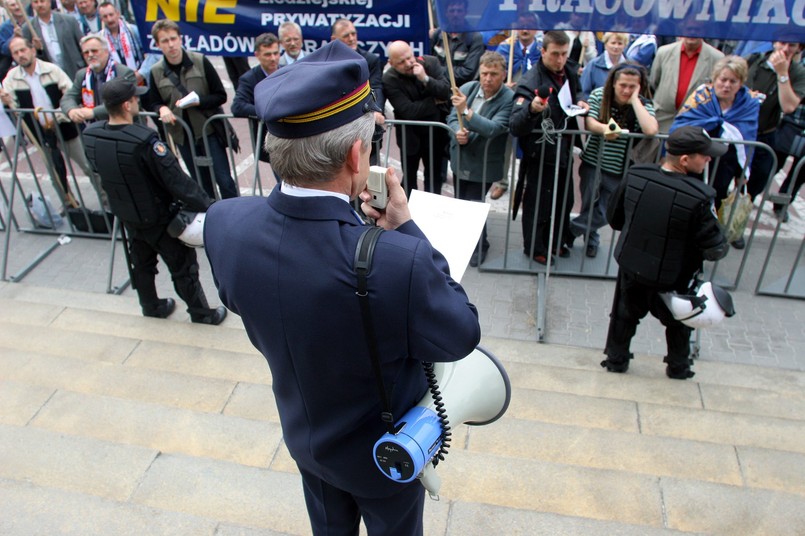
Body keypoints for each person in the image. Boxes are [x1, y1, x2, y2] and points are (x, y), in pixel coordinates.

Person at [203, 40, 481, 536]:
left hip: (307, 439)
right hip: (384, 456)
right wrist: (406, 231)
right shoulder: (400, 260)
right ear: (357, 154)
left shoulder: (224, 224)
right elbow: (462, 333)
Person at [82, 78, 227, 325]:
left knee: (141, 263)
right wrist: (212, 207)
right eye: (135, 98)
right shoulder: (144, 140)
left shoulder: (91, 135)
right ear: (127, 105)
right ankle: (201, 313)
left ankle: (150, 306)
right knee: (183, 268)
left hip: (127, 215)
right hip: (159, 218)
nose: (138, 100)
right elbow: (178, 182)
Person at [603, 126, 729, 379]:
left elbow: (614, 219)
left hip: (632, 267)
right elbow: (714, 248)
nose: (708, 159)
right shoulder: (701, 196)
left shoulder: (636, 175)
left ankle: (616, 360)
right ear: (685, 160)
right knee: (680, 324)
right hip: (675, 277)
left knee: (623, 317)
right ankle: (678, 367)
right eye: (703, 155)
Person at [510, 30, 589, 265]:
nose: (560, 59)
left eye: (564, 54)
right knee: (539, 203)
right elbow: (515, 124)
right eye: (555, 54)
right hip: (540, 154)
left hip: (563, 149)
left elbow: (577, 91)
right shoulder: (530, 81)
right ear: (543, 52)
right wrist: (532, 110)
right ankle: (535, 248)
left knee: (564, 200)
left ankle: (556, 241)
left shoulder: (569, 71)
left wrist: (581, 101)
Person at [570, 62, 658, 259]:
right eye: (623, 85)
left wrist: (635, 100)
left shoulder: (643, 103)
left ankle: (569, 231)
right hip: (594, 161)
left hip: (621, 168)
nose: (626, 90)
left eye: (632, 86)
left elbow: (651, 130)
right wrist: (604, 130)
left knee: (605, 212)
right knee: (588, 205)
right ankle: (591, 241)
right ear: (614, 83)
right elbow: (590, 122)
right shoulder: (600, 95)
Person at [1, 36, 99, 207]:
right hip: (39, 133)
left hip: (64, 127)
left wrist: (58, 117)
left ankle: (106, 203)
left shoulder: (52, 70)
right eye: (15, 53)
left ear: (32, 50)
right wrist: (6, 100)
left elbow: (70, 95)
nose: (20, 55)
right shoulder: (11, 78)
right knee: (55, 173)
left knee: (88, 167)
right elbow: (13, 106)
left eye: (23, 50)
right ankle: (69, 205)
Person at [146, 19, 238, 199]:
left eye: (173, 38)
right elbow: (153, 102)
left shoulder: (200, 61)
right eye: (165, 41)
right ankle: (211, 217)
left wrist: (199, 102)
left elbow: (220, 95)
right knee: (201, 184)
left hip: (208, 132)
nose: (171, 45)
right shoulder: (156, 71)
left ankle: (233, 217)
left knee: (224, 180)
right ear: (158, 45)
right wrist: (161, 108)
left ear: (180, 39)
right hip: (183, 136)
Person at [671, 56, 762, 215]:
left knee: (717, 196)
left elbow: (748, 138)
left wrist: (742, 173)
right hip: (694, 160)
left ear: (741, 83)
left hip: (725, 163)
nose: (726, 85)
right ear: (715, 79)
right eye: (723, 79)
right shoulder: (701, 96)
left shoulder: (748, 103)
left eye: (733, 81)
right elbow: (682, 125)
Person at [447, 51, 513, 267]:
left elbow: (493, 127)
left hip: (483, 164)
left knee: (474, 205)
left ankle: (480, 246)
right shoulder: (467, 89)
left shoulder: (508, 98)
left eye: (493, 74)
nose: (487, 78)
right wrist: (456, 131)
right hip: (461, 159)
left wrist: (465, 111)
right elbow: (450, 117)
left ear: (503, 74)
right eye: (484, 73)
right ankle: (467, 241)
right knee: (462, 202)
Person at [383, 40, 451, 196]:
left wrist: (425, 79)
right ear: (391, 63)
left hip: (435, 136)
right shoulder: (389, 79)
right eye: (401, 62)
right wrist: (434, 102)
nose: (408, 63)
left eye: (409, 58)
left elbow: (446, 92)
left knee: (434, 178)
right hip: (410, 137)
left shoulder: (431, 63)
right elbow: (408, 111)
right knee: (409, 180)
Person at [745, 41, 805, 207]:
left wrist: (782, 74)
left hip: (766, 136)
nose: (785, 49)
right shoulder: (754, 60)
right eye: (782, 43)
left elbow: (788, 106)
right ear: (774, 43)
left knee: (757, 182)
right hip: (740, 132)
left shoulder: (798, 73)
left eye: (792, 45)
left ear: (799, 48)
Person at [331, 18, 386, 165]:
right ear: (334, 39)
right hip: (339, 133)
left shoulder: (371, 60)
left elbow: (376, 87)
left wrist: (376, 110)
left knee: (372, 178)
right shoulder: (327, 63)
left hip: (367, 134)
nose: (351, 38)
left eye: (353, 34)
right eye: (346, 35)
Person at [650, 37, 724, 133]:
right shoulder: (663, 52)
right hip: (661, 120)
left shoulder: (717, 57)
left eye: (697, 30)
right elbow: (654, 82)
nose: (692, 34)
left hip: (694, 124)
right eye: (689, 29)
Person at [61, 33, 136, 124]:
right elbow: (68, 97)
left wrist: (93, 112)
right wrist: (71, 110)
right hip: (97, 127)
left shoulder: (123, 72)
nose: (90, 55)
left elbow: (123, 103)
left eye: (94, 51)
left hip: (124, 126)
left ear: (106, 51)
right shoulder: (82, 74)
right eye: (86, 52)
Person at [230, 32, 279, 167]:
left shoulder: (286, 71)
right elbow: (237, 107)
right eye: (268, 55)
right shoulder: (249, 78)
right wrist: (266, 112)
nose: (273, 58)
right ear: (257, 55)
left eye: (276, 53)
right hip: (270, 142)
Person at [98, 1, 157, 87]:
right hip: (117, 85)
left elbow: (150, 53)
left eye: (111, 15)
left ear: (117, 14)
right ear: (101, 19)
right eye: (105, 16)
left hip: (141, 81)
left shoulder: (134, 30)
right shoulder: (100, 39)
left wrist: (141, 73)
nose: (109, 19)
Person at [429, 0, 485, 87]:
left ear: (465, 12)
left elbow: (468, 72)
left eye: (459, 11)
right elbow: (428, 63)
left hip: (461, 91)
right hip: (437, 88)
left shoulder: (475, 38)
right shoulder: (438, 34)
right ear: (446, 13)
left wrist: (437, 70)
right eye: (452, 11)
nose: (455, 14)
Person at [23, 0, 86, 76]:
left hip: (75, 69)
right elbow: (30, 56)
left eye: (42, 1)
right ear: (32, 5)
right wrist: (37, 50)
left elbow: (83, 45)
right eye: (36, 2)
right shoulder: (29, 28)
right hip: (51, 74)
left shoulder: (69, 20)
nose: (39, 5)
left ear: (49, 2)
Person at [580, 32, 628, 100]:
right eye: (613, 43)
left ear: (625, 46)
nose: (616, 47)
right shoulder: (593, 65)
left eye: (620, 43)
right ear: (605, 45)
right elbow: (584, 92)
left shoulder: (630, 66)